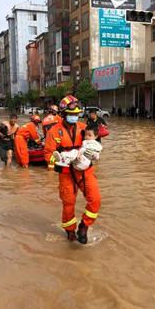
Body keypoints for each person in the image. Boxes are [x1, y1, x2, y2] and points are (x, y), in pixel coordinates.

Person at [44, 95, 101, 245]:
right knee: (68, 203)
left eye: (76, 114)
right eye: (71, 114)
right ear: (63, 113)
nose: (74, 117)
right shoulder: (54, 131)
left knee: (95, 199)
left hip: (84, 170)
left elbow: (94, 142)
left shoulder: (83, 128)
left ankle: (84, 226)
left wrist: (95, 154)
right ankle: (70, 232)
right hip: (66, 173)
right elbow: (48, 153)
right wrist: (56, 162)